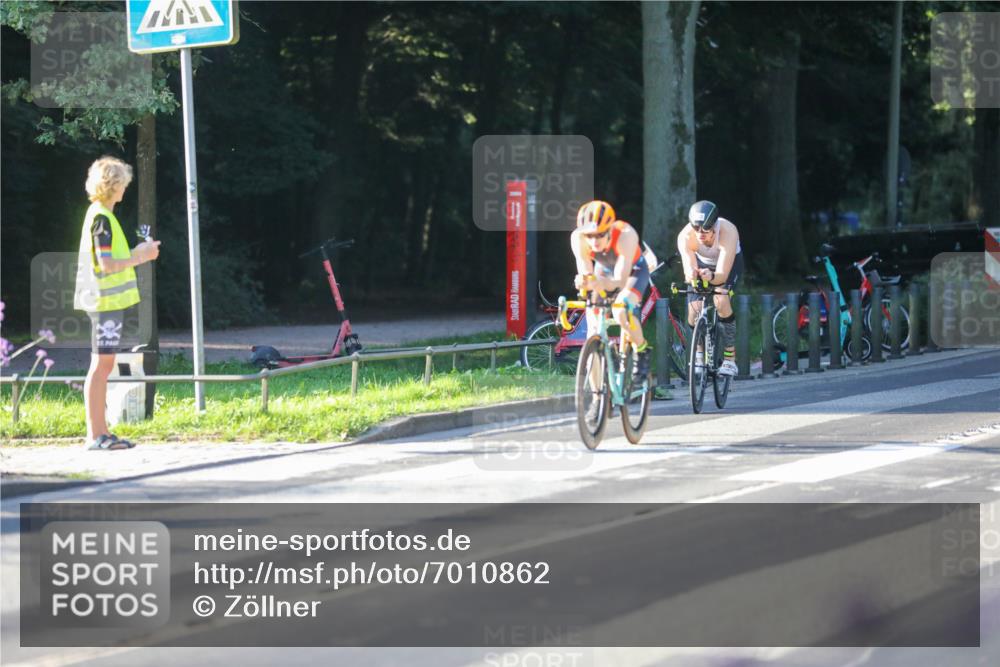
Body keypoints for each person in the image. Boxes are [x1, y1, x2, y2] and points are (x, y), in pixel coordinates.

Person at [73, 156, 160, 451]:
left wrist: (138, 252)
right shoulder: (101, 218)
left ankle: (101, 433)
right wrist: (141, 255)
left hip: (106, 301)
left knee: (103, 364)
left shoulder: (101, 215)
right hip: (104, 302)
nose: (125, 188)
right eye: (123, 183)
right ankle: (96, 435)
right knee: (101, 365)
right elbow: (107, 264)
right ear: (113, 185)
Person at [570, 200, 652, 378]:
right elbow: (586, 270)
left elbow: (620, 281)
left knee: (620, 310)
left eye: (599, 235)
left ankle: (642, 349)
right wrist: (585, 281)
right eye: (589, 236)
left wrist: (598, 283)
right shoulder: (578, 238)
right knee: (592, 330)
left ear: (608, 229)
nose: (594, 241)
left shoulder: (625, 234)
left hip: (633, 272)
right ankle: (596, 399)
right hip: (604, 270)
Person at [676, 200, 743, 376]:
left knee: (721, 299)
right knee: (694, 309)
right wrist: (693, 275)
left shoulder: (728, 231)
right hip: (701, 264)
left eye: (705, 229)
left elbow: (721, 275)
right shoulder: (686, 236)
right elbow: (688, 270)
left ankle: (730, 358)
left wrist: (712, 277)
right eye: (696, 228)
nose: (700, 233)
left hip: (727, 264)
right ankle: (698, 354)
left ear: (715, 225)